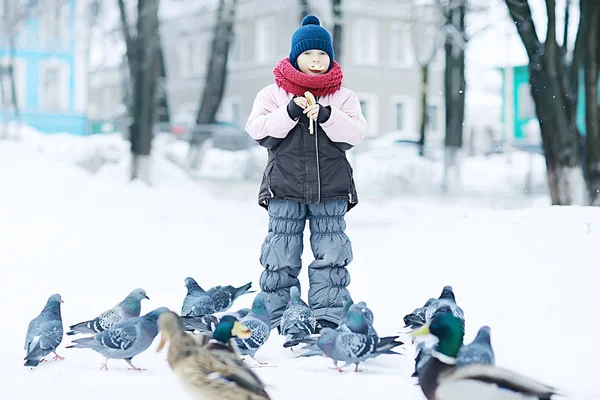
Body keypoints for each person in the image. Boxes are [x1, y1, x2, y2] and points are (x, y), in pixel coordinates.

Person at [245, 15, 368, 332]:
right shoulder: (272, 94)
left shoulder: (343, 96)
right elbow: (260, 133)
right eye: (309, 55)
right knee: (280, 254)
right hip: (284, 187)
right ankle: (275, 313)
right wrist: (290, 112)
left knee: (332, 255)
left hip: (332, 189)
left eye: (322, 55)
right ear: (295, 57)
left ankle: (328, 313)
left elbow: (353, 136)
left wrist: (327, 115)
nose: (316, 61)